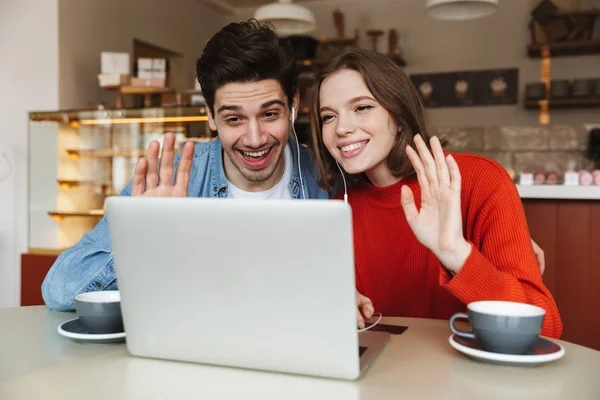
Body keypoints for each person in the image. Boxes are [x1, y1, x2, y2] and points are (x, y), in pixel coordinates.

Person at [41, 20, 329, 311]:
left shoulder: (325, 177)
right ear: (210, 116)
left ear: (293, 105)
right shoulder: (172, 179)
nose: (254, 139)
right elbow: (58, 291)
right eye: (233, 119)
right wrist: (139, 236)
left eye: (269, 114)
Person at [309, 47, 562, 338]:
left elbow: (546, 328)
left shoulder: (480, 181)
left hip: (472, 378)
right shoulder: (335, 210)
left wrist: (457, 253)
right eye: (328, 117)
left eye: (362, 107)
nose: (341, 128)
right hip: (380, 376)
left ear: (399, 113)